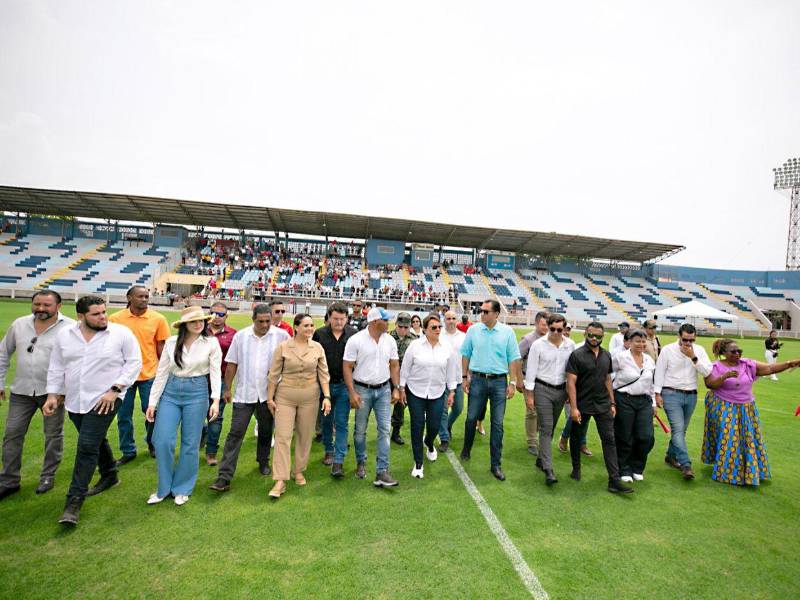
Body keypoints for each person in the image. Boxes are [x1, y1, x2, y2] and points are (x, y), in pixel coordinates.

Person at [43, 295, 142, 526]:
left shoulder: (120, 334)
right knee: (95, 441)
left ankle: (73, 502)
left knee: (86, 446)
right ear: (81, 316)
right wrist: (52, 395)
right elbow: (57, 366)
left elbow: (134, 362)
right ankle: (109, 474)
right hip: (75, 400)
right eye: (96, 314)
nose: (102, 317)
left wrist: (115, 389)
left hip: (107, 399)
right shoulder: (65, 336)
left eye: (104, 312)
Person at [0, 291, 75, 499]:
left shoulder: (70, 328)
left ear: (58, 306)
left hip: (52, 393)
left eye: (46, 305)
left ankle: (47, 476)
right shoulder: (19, 324)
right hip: (21, 391)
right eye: (37, 304)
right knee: (12, 434)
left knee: (52, 436)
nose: (40, 309)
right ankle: (8, 480)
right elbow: (3, 353)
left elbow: (75, 362)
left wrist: (63, 392)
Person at [145, 307, 222, 506]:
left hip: (197, 392)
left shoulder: (211, 343)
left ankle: (182, 488)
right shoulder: (171, 343)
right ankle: (163, 488)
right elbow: (161, 373)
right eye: (193, 321)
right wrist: (152, 403)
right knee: (162, 440)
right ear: (184, 325)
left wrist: (215, 400)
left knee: (190, 443)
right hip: (171, 392)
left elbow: (215, 373)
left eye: (202, 321)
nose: (199, 324)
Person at [209, 304, 288, 492]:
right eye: (260, 321)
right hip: (244, 394)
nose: (265, 325)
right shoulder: (241, 337)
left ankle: (263, 461)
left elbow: (288, 362)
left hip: (268, 395)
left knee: (266, 431)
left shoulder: (282, 336)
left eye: (268, 321)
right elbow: (231, 365)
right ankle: (224, 476)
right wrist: (227, 389)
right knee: (235, 434)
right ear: (253, 319)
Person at [702, 338, 799, 486]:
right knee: (730, 438)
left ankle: (747, 470)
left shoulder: (747, 364)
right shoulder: (715, 366)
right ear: (724, 353)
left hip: (746, 407)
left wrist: (789, 363)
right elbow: (709, 384)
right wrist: (724, 377)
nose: (737, 354)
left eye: (739, 351)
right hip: (724, 406)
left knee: (747, 439)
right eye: (733, 351)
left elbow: (770, 368)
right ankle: (727, 474)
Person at [266, 314, 331, 499]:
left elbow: (324, 375)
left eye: (311, 325)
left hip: (310, 396)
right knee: (283, 437)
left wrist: (326, 397)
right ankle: (280, 479)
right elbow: (273, 374)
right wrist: (270, 398)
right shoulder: (284, 347)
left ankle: (299, 470)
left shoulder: (317, 348)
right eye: (306, 325)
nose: (310, 328)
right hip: (285, 396)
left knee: (304, 436)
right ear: (296, 327)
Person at [565, 321, 633, 494]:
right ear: (585, 334)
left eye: (598, 336)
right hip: (582, 403)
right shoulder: (576, 355)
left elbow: (607, 379)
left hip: (603, 404)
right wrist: (573, 407)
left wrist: (612, 402)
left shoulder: (606, 355)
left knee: (609, 440)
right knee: (576, 437)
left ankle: (614, 480)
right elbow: (571, 382)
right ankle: (576, 469)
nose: (594, 339)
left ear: (603, 337)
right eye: (591, 335)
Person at [460, 299, 522, 481]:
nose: (482, 314)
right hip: (477, 380)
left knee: (497, 424)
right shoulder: (473, 330)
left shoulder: (507, 332)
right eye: (481, 311)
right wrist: (464, 377)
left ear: (496, 314)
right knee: (471, 417)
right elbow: (465, 354)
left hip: (499, 382)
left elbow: (514, 358)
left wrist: (512, 383)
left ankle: (496, 464)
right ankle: (466, 448)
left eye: (486, 311)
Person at [108, 285, 170, 464]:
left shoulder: (158, 319)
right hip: (123, 376)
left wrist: (162, 373)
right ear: (129, 298)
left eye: (146, 296)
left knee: (152, 412)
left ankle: (153, 444)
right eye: (140, 296)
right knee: (123, 415)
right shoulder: (115, 319)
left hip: (149, 374)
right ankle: (128, 450)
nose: (144, 299)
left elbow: (161, 347)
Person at [343, 307, 401, 487]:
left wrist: (396, 388)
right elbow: (347, 367)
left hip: (383, 389)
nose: (389, 322)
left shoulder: (389, 340)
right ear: (375, 321)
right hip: (362, 389)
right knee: (360, 430)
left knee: (384, 429)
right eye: (385, 320)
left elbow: (394, 365)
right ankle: (361, 461)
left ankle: (382, 471)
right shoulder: (356, 340)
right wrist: (352, 392)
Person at [400, 314, 458, 479]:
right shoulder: (415, 346)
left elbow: (451, 371)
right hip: (415, 392)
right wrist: (401, 388)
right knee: (417, 426)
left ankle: (429, 442)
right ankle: (418, 464)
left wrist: (452, 391)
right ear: (425, 330)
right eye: (434, 327)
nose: (438, 330)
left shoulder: (447, 348)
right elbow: (405, 368)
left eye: (439, 327)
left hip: (437, 392)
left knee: (434, 426)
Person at [653, 323, 712, 481]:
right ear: (679, 336)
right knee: (678, 429)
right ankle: (686, 465)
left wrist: (693, 357)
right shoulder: (667, 350)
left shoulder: (699, 351)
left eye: (691, 340)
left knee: (682, 430)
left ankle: (670, 456)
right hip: (671, 393)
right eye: (685, 339)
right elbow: (659, 371)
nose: (688, 343)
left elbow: (707, 371)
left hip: (691, 395)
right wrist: (657, 394)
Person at [523, 313, 575, 486]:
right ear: (548, 326)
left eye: (559, 329)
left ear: (565, 328)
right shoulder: (538, 345)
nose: (555, 332)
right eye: (552, 328)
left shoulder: (570, 346)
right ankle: (548, 469)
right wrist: (529, 396)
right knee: (546, 427)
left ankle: (540, 459)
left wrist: (570, 392)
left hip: (561, 391)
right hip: (542, 389)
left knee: (551, 427)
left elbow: (572, 372)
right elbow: (531, 370)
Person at [313, 302, 357, 476]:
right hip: (325, 385)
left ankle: (338, 460)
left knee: (342, 422)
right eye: (335, 319)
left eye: (342, 319)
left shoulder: (353, 334)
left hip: (346, 385)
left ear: (347, 318)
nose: (339, 322)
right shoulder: (319, 334)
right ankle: (328, 450)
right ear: (329, 318)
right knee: (326, 420)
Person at [612, 329, 656, 483]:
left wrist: (654, 403)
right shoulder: (620, 358)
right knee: (625, 435)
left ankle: (637, 466)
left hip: (644, 401)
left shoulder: (649, 360)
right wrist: (611, 400)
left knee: (646, 436)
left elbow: (651, 383)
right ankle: (623, 468)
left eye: (643, 341)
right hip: (624, 399)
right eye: (637, 341)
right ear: (629, 342)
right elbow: (608, 377)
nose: (641, 344)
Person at [203, 301, 237, 466]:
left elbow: (233, 362)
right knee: (197, 415)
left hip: (221, 380)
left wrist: (228, 388)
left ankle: (211, 452)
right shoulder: (199, 330)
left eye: (221, 314)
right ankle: (203, 433)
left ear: (226, 316)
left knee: (215, 418)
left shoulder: (232, 334)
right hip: (199, 379)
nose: (217, 317)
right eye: (214, 313)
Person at [518, 311, 549, 457]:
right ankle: (532, 442)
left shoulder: (551, 339)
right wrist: (518, 379)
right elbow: (516, 359)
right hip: (528, 380)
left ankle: (535, 434)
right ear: (536, 323)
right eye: (544, 325)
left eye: (548, 324)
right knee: (532, 411)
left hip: (546, 382)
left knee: (542, 413)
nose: (546, 327)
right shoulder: (528, 340)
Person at [438, 310, 466, 452]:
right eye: (448, 318)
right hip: (442, 380)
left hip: (458, 379)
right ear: (444, 320)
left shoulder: (463, 337)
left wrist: (468, 376)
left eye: (453, 318)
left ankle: (447, 425)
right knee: (443, 410)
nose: (450, 320)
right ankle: (444, 438)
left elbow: (467, 357)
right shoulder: (439, 335)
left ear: (457, 320)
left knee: (458, 408)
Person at [390, 312, 418, 445]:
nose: (402, 330)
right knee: (382, 403)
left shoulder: (414, 340)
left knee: (401, 404)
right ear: (396, 324)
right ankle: (383, 430)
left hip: (405, 377)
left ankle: (395, 432)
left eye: (406, 327)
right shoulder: (387, 337)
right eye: (400, 326)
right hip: (387, 376)